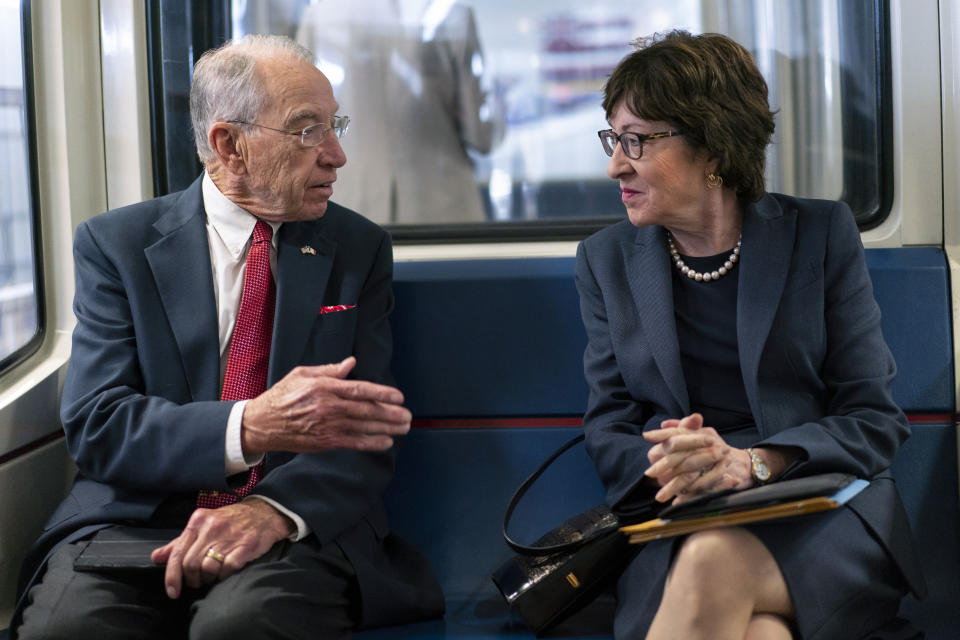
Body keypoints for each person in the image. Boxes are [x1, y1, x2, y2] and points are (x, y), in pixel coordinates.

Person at [13, 34, 443, 639]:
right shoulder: (117, 246)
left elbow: (363, 429)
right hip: (136, 518)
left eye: (334, 125)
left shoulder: (357, 248)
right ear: (229, 145)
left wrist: (268, 511)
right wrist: (249, 427)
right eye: (307, 130)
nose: (336, 155)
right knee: (71, 629)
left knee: (238, 626)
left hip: (285, 520)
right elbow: (100, 425)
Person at [575, 30, 926, 640]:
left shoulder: (820, 234)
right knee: (760, 630)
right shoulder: (605, 260)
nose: (615, 164)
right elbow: (609, 430)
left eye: (636, 140)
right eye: (613, 138)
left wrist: (754, 464)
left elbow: (874, 418)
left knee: (714, 565)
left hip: (821, 505)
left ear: (712, 146)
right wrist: (677, 464)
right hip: (681, 515)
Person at [296, 0, 503, 224]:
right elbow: (482, 136)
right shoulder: (450, 13)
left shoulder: (321, 14)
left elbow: (300, 122)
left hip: (352, 205)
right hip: (440, 207)